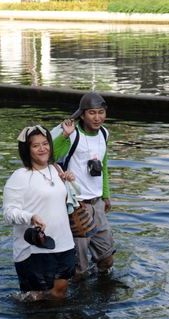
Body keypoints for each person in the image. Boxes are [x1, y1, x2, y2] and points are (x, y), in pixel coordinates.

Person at [3, 125, 76, 301]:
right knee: (35, 300)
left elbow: (65, 202)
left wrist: (71, 183)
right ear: (27, 150)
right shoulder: (20, 176)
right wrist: (31, 217)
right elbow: (8, 213)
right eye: (36, 146)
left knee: (60, 292)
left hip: (64, 243)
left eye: (45, 144)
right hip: (34, 248)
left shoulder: (56, 170)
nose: (42, 149)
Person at [51, 92, 115, 279]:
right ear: (82, 114)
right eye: (92, 113)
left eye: (101, 112)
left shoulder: (104, 133)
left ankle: (100, 290)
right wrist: (64, 134)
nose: (97, 118)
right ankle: (77, 300)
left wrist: (106, 194)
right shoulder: (73, 135)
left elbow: (104, 164)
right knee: (80, 268)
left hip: (97, 204)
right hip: (78, 205)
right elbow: (51, 155)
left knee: (107, 259)